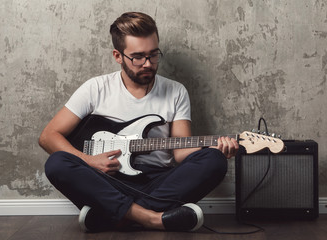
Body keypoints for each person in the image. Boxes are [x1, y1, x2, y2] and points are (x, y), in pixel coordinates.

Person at [39, 12, 239, 232]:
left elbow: (180, 151)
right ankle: (153, 218)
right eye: (138, 57)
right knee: (57, 163)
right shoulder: (95, 89)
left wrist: (215, 147)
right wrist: (88, 161)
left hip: (158, 182)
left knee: (214, 160)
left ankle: (110, 216)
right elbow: (48, 136)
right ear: (118, 56)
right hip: (108, 182)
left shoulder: (175, 91)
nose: (148, 64)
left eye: (154, 55)